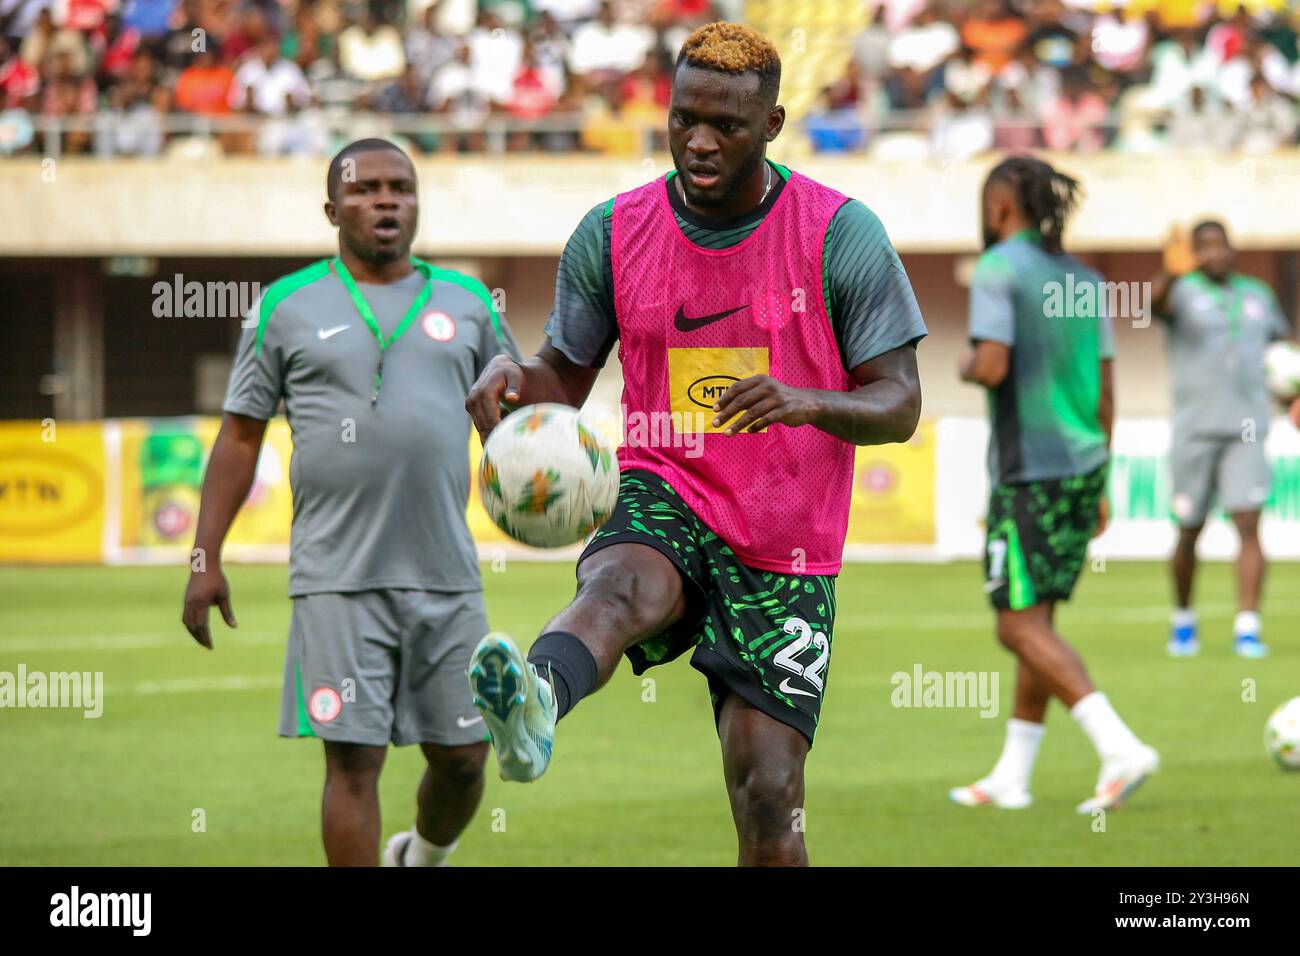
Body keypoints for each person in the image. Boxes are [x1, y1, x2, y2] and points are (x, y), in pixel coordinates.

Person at [464, 22, 926, 866]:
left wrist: (806, 401)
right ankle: (535, 703)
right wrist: (514, 381)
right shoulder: (613, 231)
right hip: (664, 480)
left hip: (786, 538)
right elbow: (561, 376)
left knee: (769, 796)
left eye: (728, 126)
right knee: (616, 585)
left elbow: (899, 404)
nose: (700, 142)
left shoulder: (839, 234)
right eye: (684, 120)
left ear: (774, 124)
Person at [181, 138, 521, 867]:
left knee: (464, 757)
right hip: (335, 577)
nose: (386, 200)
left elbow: (520, 419)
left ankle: (420, 857)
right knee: (353, 763)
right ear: (333, 209)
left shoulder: (468, 305)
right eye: (365, 189)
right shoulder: (286, 305)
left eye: (400, 186)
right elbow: (239, 437)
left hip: (447, 573)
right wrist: (205, 558)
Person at [951, 156, 1159, 814]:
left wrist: (962, 361)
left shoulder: (998, 268)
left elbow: (990, 364)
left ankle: (1119, 746)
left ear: (998, 208)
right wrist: (1101, 479)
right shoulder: (1086, 281)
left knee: (1015, 626)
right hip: (1083, 463)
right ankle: (1014, 774)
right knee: (1038, 617)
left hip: (1028, 470)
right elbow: (1107, 391)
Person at [1151, 220, 1293, 658]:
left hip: (1247, 428)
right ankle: (1183, 621)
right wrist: (1170, 273)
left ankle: (1247, 627)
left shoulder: (1258, 296)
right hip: (1195, 429)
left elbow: (1281, 354)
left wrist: (1291, 393)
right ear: (1193, 252)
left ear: (1232, 248)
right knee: (1189, 530)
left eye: (1221, 245)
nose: (1215, 254)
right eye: (1204, 247)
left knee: (1249, 524)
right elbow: (1152, 307)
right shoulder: (1181, 291)